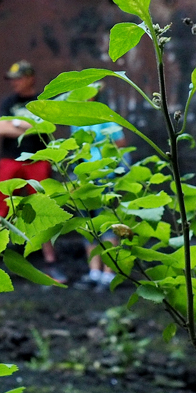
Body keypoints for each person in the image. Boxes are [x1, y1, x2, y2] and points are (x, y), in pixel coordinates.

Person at [0, 60, 64, 281]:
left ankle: (50, 262)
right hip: (10, 160)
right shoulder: (8, 102)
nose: (14, 83)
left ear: (30, 78)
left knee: (42, 209)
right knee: (1, 208)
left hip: (38, 160)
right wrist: (27, 124)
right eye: (12, 79)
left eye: (19, 78)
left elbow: (47, 127)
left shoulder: (42, 101)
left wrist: (15, 123)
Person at [70, 112, 129, 292]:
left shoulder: (104, 115)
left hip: (105, 175)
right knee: (88, 225)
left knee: (108, 222)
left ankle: (108, 273)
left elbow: (120, 142)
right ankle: (94, 272)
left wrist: (102, 153)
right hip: (85, 178)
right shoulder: (75, 120)